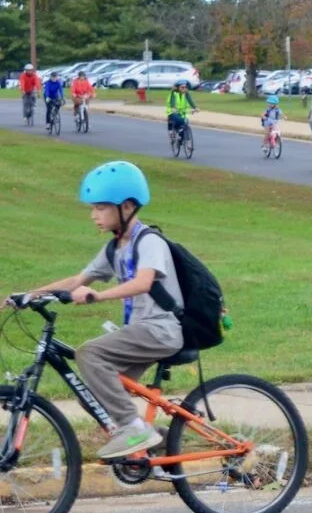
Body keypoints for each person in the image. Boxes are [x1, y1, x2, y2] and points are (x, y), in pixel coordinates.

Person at [5, 162, 183, 460]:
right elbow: (77, 280)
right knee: (95, 398)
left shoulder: (149, 241)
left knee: (90, 354)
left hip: (161, 329)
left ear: (126, 207)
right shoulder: (114, 248)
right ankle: (156, 440)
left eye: (101, 207)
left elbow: (143, 282)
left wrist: (98, 295)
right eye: (93, 208)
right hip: (141, 330)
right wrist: (29, 295)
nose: (94, 215)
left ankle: (135, 428)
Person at [165, 80, 196, 145]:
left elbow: (190, 101)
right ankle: (173, 132)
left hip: (182, 112)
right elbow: (172, 101)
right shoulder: (174, 93)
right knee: (179, 121)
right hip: (172, 111)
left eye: (185, 87)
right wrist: (173, 108)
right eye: (182, 87)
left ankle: (183, 140)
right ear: (177, 88)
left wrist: (195, 108)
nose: (184, 89)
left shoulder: (186, 93)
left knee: (185, 124)